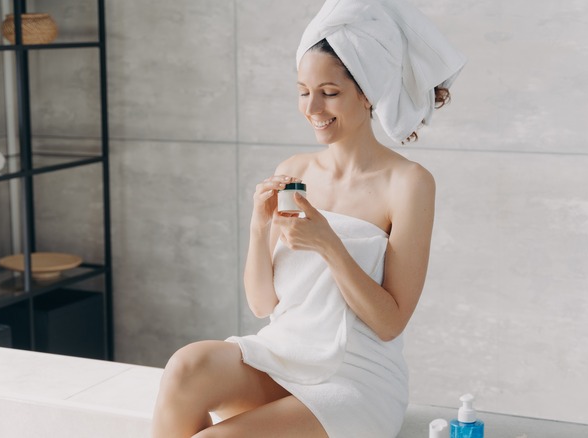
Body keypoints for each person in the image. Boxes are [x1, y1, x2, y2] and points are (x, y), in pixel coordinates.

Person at [151, 0, 465, 437]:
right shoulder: (295, 170)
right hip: (282, 358)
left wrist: (327, 243)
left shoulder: (408, 183)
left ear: (368, 92)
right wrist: (258, 229)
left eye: (329, 92)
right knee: (186, 367)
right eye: (303, 90)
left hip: (355, 381)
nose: (312, 107)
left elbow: (390, 323)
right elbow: (264, 306)